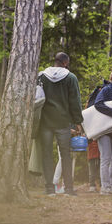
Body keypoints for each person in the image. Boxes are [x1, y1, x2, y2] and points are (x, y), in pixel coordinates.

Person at [39, 52, 83, 196]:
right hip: (63, 122)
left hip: (45, 122)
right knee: (65, 155)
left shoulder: (42, 76)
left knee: (46, 154)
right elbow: (75, 101)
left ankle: (49, 188)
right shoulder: (70, 78)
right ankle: (69, 189)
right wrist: (78, 121)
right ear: (66, 62)